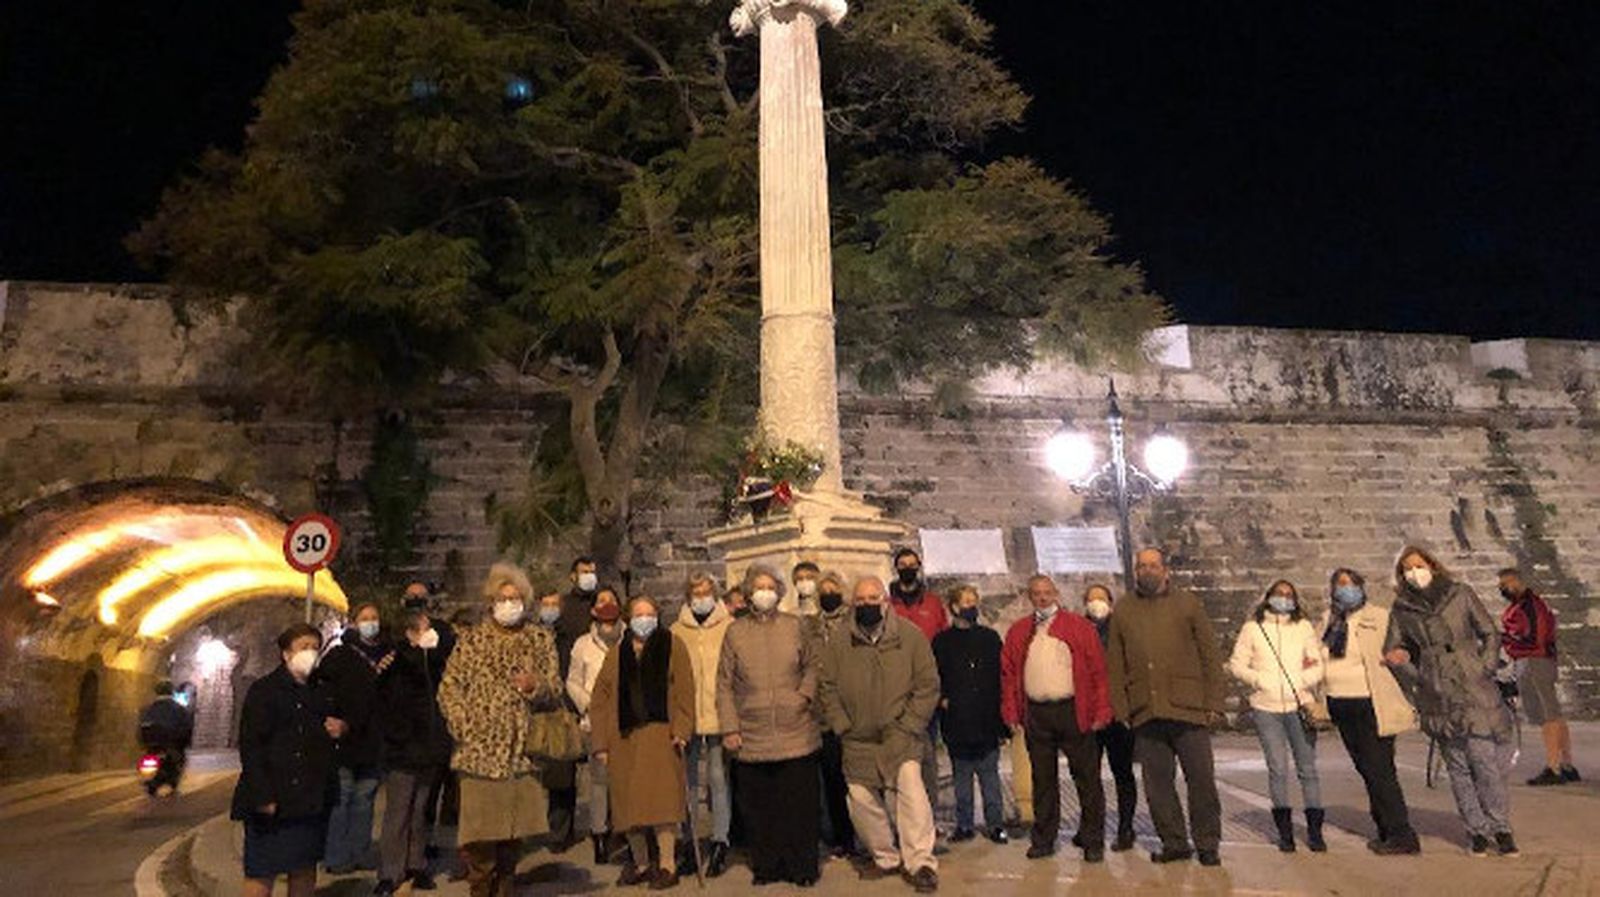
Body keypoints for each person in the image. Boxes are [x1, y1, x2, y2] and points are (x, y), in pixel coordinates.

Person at [437, 563, 563, 897]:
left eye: (515, 598)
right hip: (478, 754)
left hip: (522, 753)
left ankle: (506, 886)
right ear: (491, 601)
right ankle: (480, 887)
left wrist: (535, 686)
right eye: (503, 598)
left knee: (512, 834)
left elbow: (555, 689)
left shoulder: (539, 639)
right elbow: (449, 688)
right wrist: (465, 725)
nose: (509, 604)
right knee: (479, 836)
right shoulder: (472, 640)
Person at [1385, 546, 1518, 857]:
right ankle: (1476, 830)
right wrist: (1415, 672)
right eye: (1407, 569)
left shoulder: (1460, 594)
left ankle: (1500, 827)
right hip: (1437, 691)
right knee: (1457, 767)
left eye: (1418, 565)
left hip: (1472, 687)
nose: (1414, 573)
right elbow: (1392, 650)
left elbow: (1489, 632)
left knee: (1485, 763)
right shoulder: (1402, 609)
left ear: (1432, 566)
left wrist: (1484, 666)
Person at [819, 576, 941, 894]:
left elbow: (927, 684)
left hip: (901, 733)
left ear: (885, 601)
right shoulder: (840, 641)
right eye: (860, 600)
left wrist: (911, 723)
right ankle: (885, 856)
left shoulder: (910, 637)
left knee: (912, 796)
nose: (867, 604)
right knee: (861, 800)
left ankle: (920, 862)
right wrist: (841, 724)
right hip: (857, 738)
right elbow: (826, 686)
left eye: (873, 598)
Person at [1106, 548, 1226, 867]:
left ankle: (1207, 842)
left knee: (1201, 779)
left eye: (1153, 565)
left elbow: (1210, 654)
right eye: (1142, 566)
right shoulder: (1124, 609)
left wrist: (1214, 701)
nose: (1147, 570)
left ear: (1165, 570)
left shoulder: (1187, 603)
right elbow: (1115, 663)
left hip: (1188, 707)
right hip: (1145, 709)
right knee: (1157, 785)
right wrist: (1121, 707)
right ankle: (1174, 842)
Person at [718, 564, 823, 886]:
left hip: (796, 731)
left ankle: (802, 867)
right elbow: (724, 684)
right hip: (753, 732)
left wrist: (803, 697)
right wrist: (730, 727)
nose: (764, 593)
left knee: (798, 805)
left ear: (778, 592)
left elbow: (812, 665)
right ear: (749, 593)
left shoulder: (794, 626)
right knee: (760, 806)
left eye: (770, 587)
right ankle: (766, 866)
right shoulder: (735, 632)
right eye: (758, 587)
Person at [999, 575, 1111, 862]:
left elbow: (1097, 671)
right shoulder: (1019, 631)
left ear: (1056, 594)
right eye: (1037, 593)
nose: (1042, 597)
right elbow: (1009, 675)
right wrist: (1011, 711)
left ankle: (1093, 840)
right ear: (1029, 596)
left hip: (1072, 710)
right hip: (1037, 713)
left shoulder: (1078, 627)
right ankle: (1044, 839)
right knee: (1043, 779)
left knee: (1087, 778)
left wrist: (1101, 710)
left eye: (1047, 592)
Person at [589, 595, 697, 890]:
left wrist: (683, 729)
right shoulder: (618, 653)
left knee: (663, 803)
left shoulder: (672, 645)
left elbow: (685, 690)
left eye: (650, 614)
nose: (644, 619)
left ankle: (667, 864)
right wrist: (600, 743)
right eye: (639, 614)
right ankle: (640, 862)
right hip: (623, 739)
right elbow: (600, 700)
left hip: (661, 735)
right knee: (629, 806)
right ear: (629, 618)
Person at [233, 623, 347, 897]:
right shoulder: (265, 690)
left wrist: (341, 729)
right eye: (303, 647)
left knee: (304, 868)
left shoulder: (322, 690)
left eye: (315, 647)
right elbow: (251, 746)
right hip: (274, 798)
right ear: (286, 654)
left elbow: (334, 732)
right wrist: (262, 795)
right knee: (261, 872)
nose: (310, 652)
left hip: (310, 799)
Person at [1319, 568, 1421, 855]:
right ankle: (1385, 829)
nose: (1346, 589)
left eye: (1351, 584)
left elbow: (1406, 646)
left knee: (1380, 770)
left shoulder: (1380, 617)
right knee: (1366, 769)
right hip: (1340, 701)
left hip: (1370, 701)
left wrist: (1400, 656)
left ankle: (1402, 834)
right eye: (1340, 584)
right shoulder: (1329, 620)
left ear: (1362, 587)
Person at [1228, 580, 1327, 853]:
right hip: (1266, 707)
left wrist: (1301, 680)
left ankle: (1315, 832)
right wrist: (1260, 680)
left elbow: (1317, 663)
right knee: (1278, 769)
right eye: (1278, 594)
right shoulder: (1253, 628)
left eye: (1288, 595)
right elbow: (1237, 664)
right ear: (1268, 597)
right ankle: (1285, 833)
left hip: (1300, 705)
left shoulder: (1303, 627)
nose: (1284, 599)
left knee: (1308, 769)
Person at [374, 608, 456, 895]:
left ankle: (416, 864)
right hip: (403, 750)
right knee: (398, 813)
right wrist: (398, 738)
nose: (430, 631)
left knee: (420, 812)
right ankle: (390, 872)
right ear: (410, 633)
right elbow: (387, 707)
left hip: (430, 748)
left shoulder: (434, 661)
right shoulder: (396, 664)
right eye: (424, 627)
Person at [318, 603, 394, 874]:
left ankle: (360, 852)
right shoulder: (340, 655)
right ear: (354, 622)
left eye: (374, 618)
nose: (370, 622)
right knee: (341, 799)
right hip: (345, 741)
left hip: (373, 742)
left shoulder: (389, 657)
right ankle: (336, 856)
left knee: (365, 801)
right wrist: (333, 721)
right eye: (365, 618)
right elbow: (324, 690)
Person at [932, 586, 1008, 846]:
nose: (971, 606)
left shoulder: (989, 638)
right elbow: (935, 675)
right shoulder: (942, 641)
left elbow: (999, 676)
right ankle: (964, 824)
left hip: (986, 718)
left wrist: (1002, 718)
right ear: (954, 607)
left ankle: (995, 824)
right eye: (966, 602)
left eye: (974, 601)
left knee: (990, 778)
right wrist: (942, 700)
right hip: (958, 719)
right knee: (961, 779)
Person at [672, 572, 735, 876]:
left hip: (718, 713)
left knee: (718, 779)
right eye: (696, 593)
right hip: (688, 715)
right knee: (688, 783)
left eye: (706, 592)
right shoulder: (677, 630)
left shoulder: (729, 626)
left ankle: (721, 840)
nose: (701, 598)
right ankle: (690, 841)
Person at [887, 548, 949, 842]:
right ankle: (901, 820)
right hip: (895, 692)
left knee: (927, 758)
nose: (908, 568)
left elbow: (943, 642)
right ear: (896, 568)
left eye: (912, 564)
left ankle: (929, 818)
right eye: (903, 564)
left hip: (927, 691)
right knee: (896, 758)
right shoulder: (887, 604)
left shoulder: (933, 603)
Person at [1499, 567, 1579, 785]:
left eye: (1506, 583)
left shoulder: (1529, 606)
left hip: (1534, 661)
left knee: (1547, 715)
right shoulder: (1528, 605)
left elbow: (1533, 638)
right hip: (1537, 660)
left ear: (1519, 582)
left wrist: (1504, 639)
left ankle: (1554, 768)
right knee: (1554, 713)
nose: (1503, 588)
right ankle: (1566, 764)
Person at [567, 588, 624, 863]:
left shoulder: (630, 638)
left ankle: (624, 829)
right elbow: (573, 681)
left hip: (626, 719)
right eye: (601, 601)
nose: (607, 605)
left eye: (611, 600)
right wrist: (588, 704)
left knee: (625, 779)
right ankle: (599, 832)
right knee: (599, 780)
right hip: (596, 720)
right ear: (593, 610)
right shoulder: (583, 644)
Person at [551, 557, 603, 851]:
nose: (589, 576)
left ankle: (605, 828)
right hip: (567, 693)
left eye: (592, 571)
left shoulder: (603, 603)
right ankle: (560, 831)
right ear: (573, 576)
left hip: (597, 694)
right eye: (584, 572)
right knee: (563, 768)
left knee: (604, 770)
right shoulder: (564, 607)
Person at [1081, 585, 1137, 852]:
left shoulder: (1123, 629)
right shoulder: (1079, 629)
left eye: (1101, 598)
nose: (1096, 603)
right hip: (1089, 713)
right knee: (1088, 774)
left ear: (1111, 602)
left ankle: (1126, 828)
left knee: (1122, 772)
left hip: (1117, 712)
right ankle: (1091, 827)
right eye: (1091, 599)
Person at [807, 570, 857, 859]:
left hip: (851, 709)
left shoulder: (853, 623)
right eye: (823, 591)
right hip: (822, 715)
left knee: (856, 780)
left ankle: (864, 834)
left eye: (833, 590)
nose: (829, 596)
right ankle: (841, 837)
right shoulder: (810, 627)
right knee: (832, 781)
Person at [138, 680, 193, 796]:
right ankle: (172, 784)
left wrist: (143, 743)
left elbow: (140, 727)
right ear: (171, 692)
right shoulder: (179, 709)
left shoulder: (146, 709)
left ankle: (155, 781)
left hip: (151, 744)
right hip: (172, 744)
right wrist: (185, 742)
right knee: (178, 760)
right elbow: (186, 728)